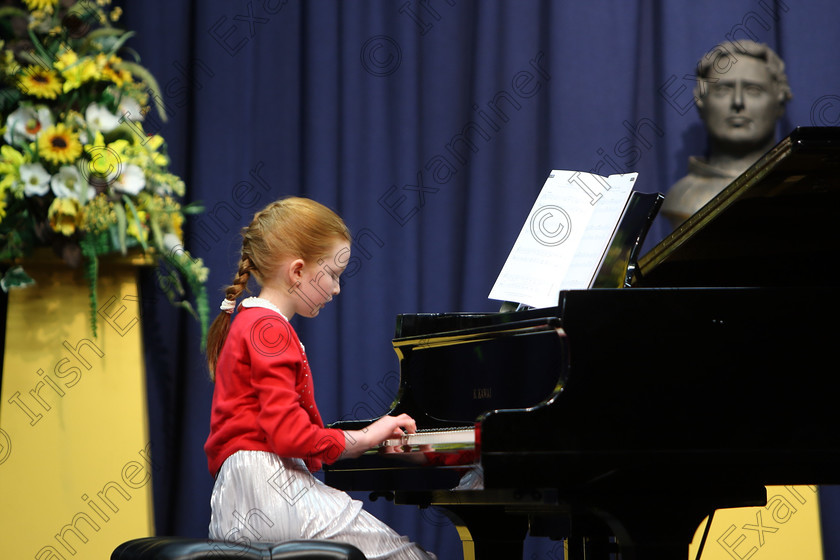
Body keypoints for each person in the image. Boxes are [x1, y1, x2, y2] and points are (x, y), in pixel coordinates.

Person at [204, 197, 436, 559]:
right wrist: (370, 435)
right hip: (269, 491)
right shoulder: (269, 329)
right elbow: (289, 435)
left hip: (239, 496)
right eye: (333, 274)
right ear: (297, 271)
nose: (337, 288)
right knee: (410, 556)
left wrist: (367, 441)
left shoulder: (249, 321)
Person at [661, 40, 793, 228]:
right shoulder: (682, 197)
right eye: (723, 90)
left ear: (779, 101)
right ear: (701, 101)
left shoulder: (799, 190)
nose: (738, 102)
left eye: (753, 90)